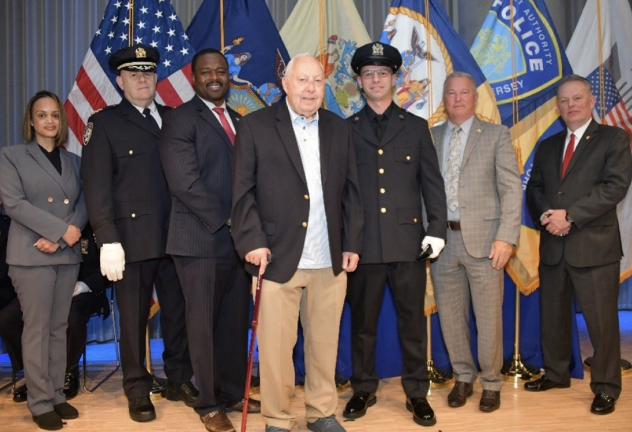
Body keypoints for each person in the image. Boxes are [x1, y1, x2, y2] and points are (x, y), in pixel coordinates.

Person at [231, 53, 364, 432]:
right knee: (276, 350)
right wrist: (252, 241)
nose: (310, 88)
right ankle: (277, 418)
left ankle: (322, 413)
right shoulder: (255, 127)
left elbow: (352, 192)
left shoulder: (340, 129)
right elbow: (242, 194)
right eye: (302, 80)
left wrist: (352, 242)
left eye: (317, 81)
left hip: (329, 258)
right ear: (285, 84)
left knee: (324, 346)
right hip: (275, 258)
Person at [80, 45, 194, 423]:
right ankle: (137, 388)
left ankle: (179, 378)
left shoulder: (176, 117)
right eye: (133, 73)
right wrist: (106, 238)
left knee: (179, 315)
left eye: (147, 72)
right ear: (119, 80)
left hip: (178, 237)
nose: (142, 79)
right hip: (131, 240)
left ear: (156, 77)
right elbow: (97, 187)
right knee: (132, 320)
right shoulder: (106, 123)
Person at [342, 42, 446, 427]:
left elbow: (432, 185)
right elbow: (341, 191)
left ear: (394, 78)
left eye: (382, 72)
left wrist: (437, 229)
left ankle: (417, 393)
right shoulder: (345, 129)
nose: (375, 79)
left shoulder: (416, 128)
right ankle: (363, 388)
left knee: (411, 324)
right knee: (363, 324)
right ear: (358, 81)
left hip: (408, 245)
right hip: (363, 246)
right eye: (368, 73)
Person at [159, 48, 258, 432]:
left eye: (221, 71)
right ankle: (209, 403)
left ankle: (233, 391)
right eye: (206, 72)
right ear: (193, 77)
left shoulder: (239, 120)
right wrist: (235, 220)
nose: (214, 77)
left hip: (238, 244)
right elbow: (185, 183)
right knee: (201, 325)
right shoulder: (181, 119)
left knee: (234, 323)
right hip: (199, 240)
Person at [525, 74, 632, 415]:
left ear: (591, 102)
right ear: (558, 106)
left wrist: (568, 216)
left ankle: (605, 387)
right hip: (554, 246)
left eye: (577, 99)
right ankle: (556, 374)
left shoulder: (614, 138)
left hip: (594, 246)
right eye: (564, 101)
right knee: (552, 317)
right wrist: (546, 216)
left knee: (601, 323)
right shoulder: (548, 145)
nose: (570, 105)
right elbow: (535, 189)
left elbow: (614, 187)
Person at [430, 72, 522, 413]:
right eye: (450, 93)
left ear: (475, 98)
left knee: (488, 318)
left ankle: (492, 383)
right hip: (443, 242)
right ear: (444, 97)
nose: (456, 98)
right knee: (451, 317)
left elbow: (512, 189)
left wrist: (506, 238)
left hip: (487, 242)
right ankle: (463, 378)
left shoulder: (496, 135)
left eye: (463, 92)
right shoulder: (431, 135)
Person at [0, 91, 87, 430]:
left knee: (58, 328)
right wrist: (57, 232)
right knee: (36, 330)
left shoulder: (75, 161)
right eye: (41, 115)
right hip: (31, 254)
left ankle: (55, 395)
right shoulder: (11, 156)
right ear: (30, 121)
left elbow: (84, 204)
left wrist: (68, 232)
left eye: (54, 115)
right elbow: (15, 204)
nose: (49, 120)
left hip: (65, 254)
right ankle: (38, 402)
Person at [0, 223, 109, 402]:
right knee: (8, 319)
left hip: (82, 289)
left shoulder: (94, 226)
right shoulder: (46, 226)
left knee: (71, 316)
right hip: (43, 285)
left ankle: (67, 370)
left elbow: (108, 266)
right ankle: (35, 374)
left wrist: (84, 285)